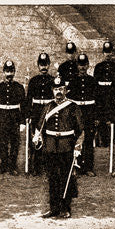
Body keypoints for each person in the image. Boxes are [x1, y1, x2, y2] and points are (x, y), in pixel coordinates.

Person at [32, 76, 85, 219]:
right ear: (52, 91)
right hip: (50, 147)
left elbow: (81, 131)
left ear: (66, 90)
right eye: (56, 89)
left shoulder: (73, 107)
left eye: (61, 89)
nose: (58, 92)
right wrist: (37, 137)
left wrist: (77, 147)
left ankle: (65, 208)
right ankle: (53, 208)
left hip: (66, 146)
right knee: (52, 178)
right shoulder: (48, 106)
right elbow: (40, 126)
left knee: (65, 178)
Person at [0, 60, 27, 176]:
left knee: (14, 143)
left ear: (14, 72)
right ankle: (3, 165)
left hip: (14, 118)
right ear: (3, 72)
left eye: (11, 71)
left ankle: (12, 166)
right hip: (2, 118)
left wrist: (22, 122)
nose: (9, 75)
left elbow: (24, 106)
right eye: (7, 71)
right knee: (2, 142)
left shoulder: (19, 87)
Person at [66, 53, 98, 177]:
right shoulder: (73, 81)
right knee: (76, 140)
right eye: (80, 65)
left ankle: (88, 167)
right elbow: (69, 100)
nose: (82, 68)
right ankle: (76, 166)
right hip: (77, 114)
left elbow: (97, 100)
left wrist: (96, 117)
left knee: (89, 140)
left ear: (88, 65)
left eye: (84, 65)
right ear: (77, 66)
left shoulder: (92, 81)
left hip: (89, 112)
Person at [26, 53, 56, 176]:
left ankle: (48, 166)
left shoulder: (53, 80)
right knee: (36, 138)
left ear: (49, 65)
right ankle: (36, 166)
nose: (43, 67)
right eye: (41, 65)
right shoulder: (33, 81)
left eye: (46, 64)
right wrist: (28, 115)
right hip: (37, 112)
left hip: (49, 112)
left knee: (49, 138)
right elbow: (29, 100)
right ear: (38, 66)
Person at [93, 42, 115, 148]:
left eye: (109, 52)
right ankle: (103, 141)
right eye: (106, 52)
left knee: (112, 116)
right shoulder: (98, 67)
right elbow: (96, 84)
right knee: (102, 118)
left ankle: (112, 140)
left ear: (112, 53)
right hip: (101, 95)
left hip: (112, 95)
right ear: (103, 53)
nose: (107, 54)